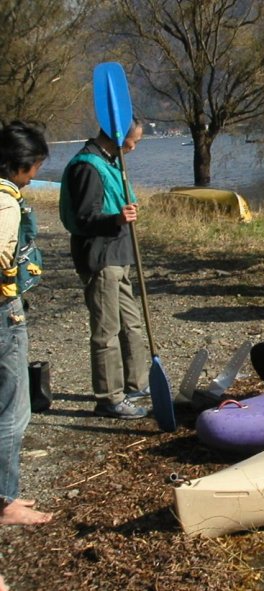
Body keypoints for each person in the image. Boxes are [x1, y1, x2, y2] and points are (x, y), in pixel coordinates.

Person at [59, 119, 150, 419]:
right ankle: (109, 398)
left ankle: (136, 384)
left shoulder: (110, 161)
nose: (134, 148)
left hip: (119, 257)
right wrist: (116, 219)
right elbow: (85, 219)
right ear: (118, 135)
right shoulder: (87, 166)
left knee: (132, 323)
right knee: (106, 331)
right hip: (100, 258)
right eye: (133, 141)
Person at [0, 120, 53, 526]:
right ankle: (5, 500)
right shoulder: (5, 203)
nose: (36, 175)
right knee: (12, 410)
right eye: (34, 166)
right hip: (3, 314)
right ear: (20, 165)